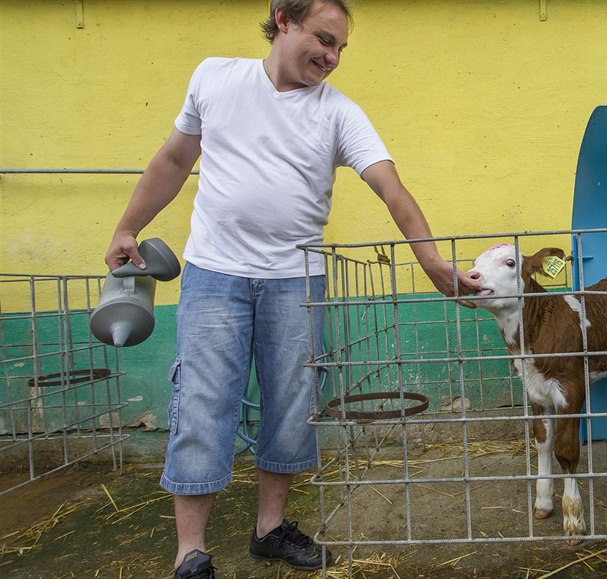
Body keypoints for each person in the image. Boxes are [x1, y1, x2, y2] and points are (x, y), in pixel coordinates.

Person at [103, 1, 479, 577]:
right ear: (283, 19)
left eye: (340, 49)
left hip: (294, 281)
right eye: (323, 39)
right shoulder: (215, 77)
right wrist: (128, 226)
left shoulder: (339, 114)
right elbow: (176, 159)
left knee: (291, 406)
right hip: (214, 274)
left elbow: (391, 188)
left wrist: (429, 260)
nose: (331, 57)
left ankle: (270, 529)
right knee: (202, 400)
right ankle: (191, 552)